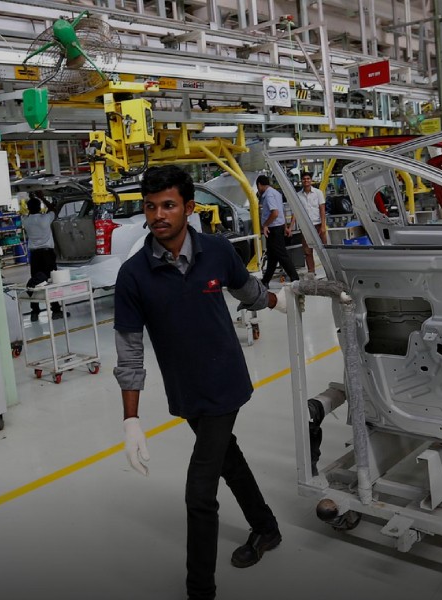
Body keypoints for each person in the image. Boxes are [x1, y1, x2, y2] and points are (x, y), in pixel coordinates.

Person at [114, 165, 287, 600]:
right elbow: (129, 352)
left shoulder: (216, 251)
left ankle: (200, 589)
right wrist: (130, 421)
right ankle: (266, 528)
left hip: (225, 383)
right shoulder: (134, 276)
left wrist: (279, 300)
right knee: (229, 459)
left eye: (168, 205)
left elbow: (246, 289)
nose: (158, 215)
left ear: (189, 208)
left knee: (199, 491)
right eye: (151, 207)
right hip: (185, 391)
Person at [22, 191, 63, 320]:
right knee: (51, 281)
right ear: (40, 208)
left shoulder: (26, 221)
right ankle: (55, 310)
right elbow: (53, 209)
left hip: (34, 256)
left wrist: (33, 200)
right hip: (47, 255)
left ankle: (34, 311)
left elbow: (29, 214)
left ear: (28, 209)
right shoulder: (46, 218)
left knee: (35, 281)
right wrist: (42, 197)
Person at [256, 174, 299, 287]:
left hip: (273, 229)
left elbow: (275, 213)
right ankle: (265, 281)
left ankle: (295, 278)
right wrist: (285, 227)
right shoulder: (276, 193)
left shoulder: (268, 195)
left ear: (259, 185)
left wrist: (265, 225)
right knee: (272, 256)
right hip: (278, 227)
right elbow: (282, 211)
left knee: (281, 254)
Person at [289, 172, 326, 274]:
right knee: (307, 251)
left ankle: (330, 270)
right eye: (304, 179)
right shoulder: (298, 196)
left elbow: (322, 209)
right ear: (302, 181)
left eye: (308, 178)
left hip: (318, 225)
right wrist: (290, 227)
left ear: (311, 180)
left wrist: (323, 226)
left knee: (324, 250)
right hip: (306, 227)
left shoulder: (318, 193)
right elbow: (295, 212)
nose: (306, 180)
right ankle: (311, 272)